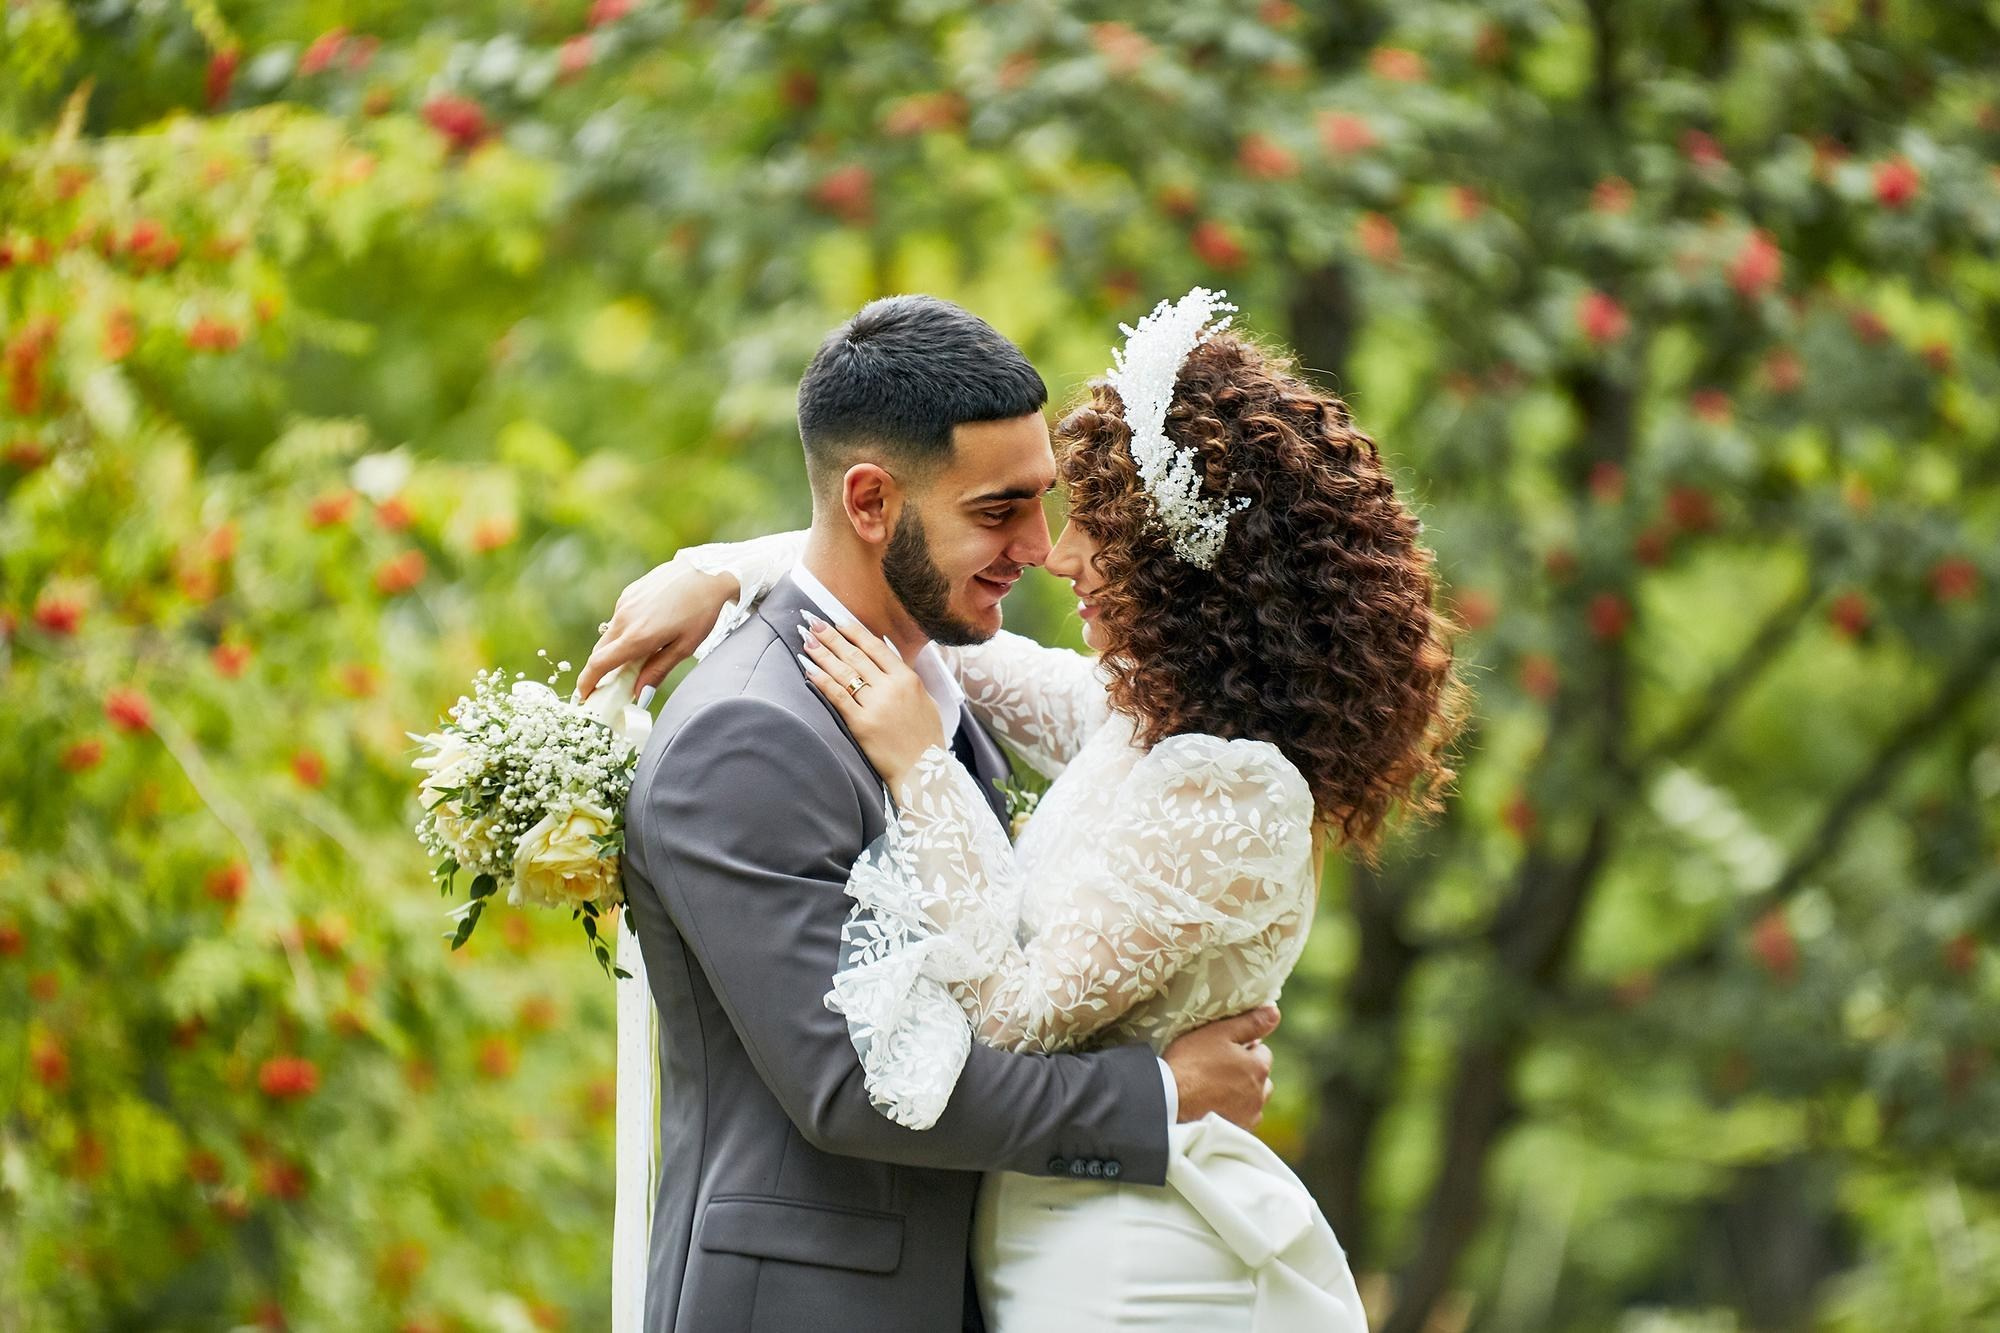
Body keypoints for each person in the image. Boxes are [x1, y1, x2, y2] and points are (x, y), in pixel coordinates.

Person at [589, 289, 1470, 1328]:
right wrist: (717, 569)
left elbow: (1002, 1013)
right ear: (871, 503)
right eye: (1000, 511)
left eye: (1067, 514)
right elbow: (842, 1088)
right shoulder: (760, 732)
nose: (1049, 550)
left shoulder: (1191, 762)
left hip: (1109, 1271)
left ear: (1183, 575)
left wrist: (920, 762)